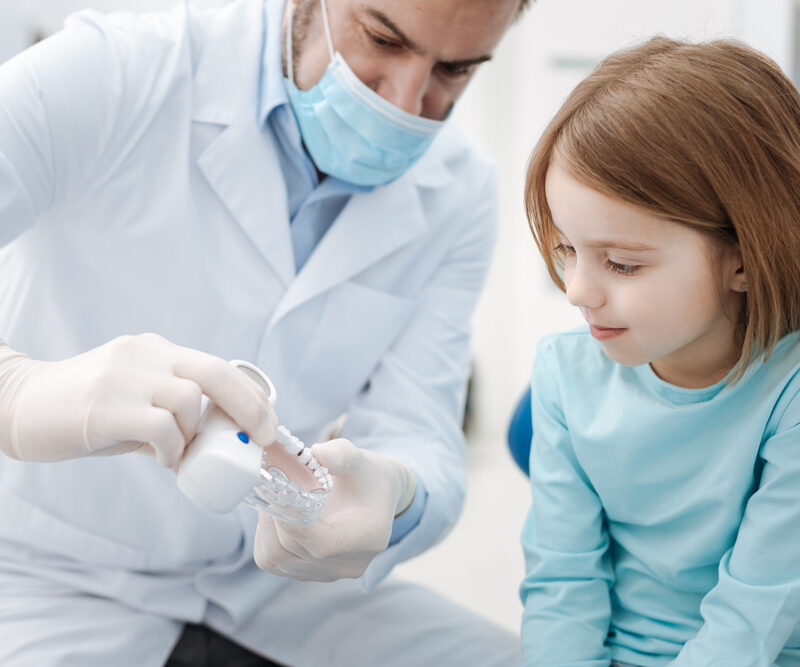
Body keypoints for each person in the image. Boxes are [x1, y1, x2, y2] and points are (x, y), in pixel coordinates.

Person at [0, 0, 528, 664]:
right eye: (382, 39)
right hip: (38, 572)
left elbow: (422, 426)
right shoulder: (118, 66)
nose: (405, 102)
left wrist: (393, 491)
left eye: (454, 71)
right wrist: (18, 392)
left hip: (267, 580)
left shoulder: (463, 188)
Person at [520, 37, 800, 666]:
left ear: (746, 258)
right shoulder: (565, 375)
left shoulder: (790, 396)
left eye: (621, 263)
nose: (578, 292)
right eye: (567, 249)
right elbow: (562, 587)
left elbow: (751, 621)